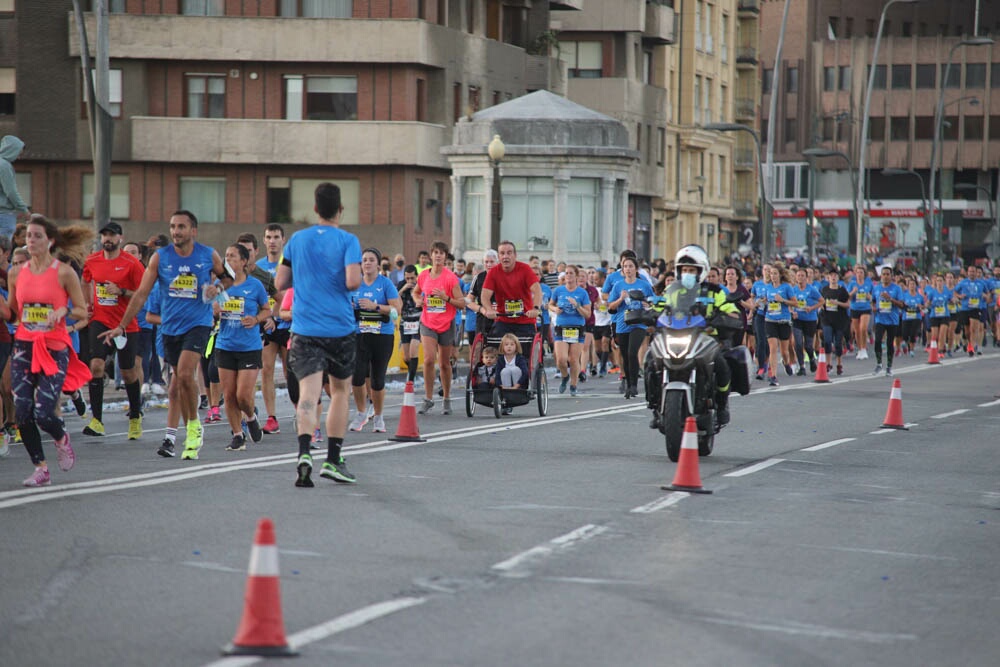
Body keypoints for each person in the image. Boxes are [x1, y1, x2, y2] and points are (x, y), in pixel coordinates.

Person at [98, 210, 227, 460]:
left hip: (198, 324)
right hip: (170, 328)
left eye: (181, 227)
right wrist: (122, 325)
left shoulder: (207, 254)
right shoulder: (160, 258)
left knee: (187, 374)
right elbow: (141, 294)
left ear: (193, 231)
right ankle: (193, 423)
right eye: (172, 226)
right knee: (180, 379)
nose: (176, 231)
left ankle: (191, 428)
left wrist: (217, 288)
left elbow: (228, 280)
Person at [276, 182, 362, 487]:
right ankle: (333, 459)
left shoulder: (297, 240)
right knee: (339, 392)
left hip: (304, 328)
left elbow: (281, 282)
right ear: (341, 210)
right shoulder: (348, 240)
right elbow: (352, 281)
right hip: (338, 327)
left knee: (308, 396)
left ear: (315, 209)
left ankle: (303, 452)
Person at [6, 216, 93, 487]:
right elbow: (12, 314)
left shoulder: (63, 273)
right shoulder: (16, 273)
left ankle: (61, 437)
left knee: (44, 413)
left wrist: (64, 310)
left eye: (37, 236)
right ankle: (40, 467)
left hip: (54, 348)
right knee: (22, 411)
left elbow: (82, 310)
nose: (30, 240)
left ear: (50, 241)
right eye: (28, 236)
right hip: (24, 345)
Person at [646, 244, 739, 428]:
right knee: (650, 359)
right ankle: (655, 406)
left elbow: (732, 312)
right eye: (684, 270)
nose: (688, 273)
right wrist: (647, 314)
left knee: (722, 364)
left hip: (706, 338)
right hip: (674, 336)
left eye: (692, 270)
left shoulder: (715, 291)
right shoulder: (672, 290)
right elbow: (658, 308)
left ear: (701, 271)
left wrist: (725, 318)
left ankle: (722, 405)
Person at [80, 221, 146, 440]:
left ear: (121, 238)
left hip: (126, 324)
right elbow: (85, 280)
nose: (107, 239)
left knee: (128, 372)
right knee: (96, 365)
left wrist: (121, 290)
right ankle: (97, 420)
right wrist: (86, 305)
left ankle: (135, 416)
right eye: (104, 235)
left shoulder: (131, 263)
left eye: (112, 235)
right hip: (100, 320)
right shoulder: (92, 260)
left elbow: (142, 292)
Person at [214, 244, 270, 451]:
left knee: (243, 396)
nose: (228, 259)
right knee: (228, 395)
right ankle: (238, 435)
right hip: (225, 344)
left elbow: (267, 310)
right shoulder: (220, 286)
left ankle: (251, 416)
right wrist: (215, 310)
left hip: (249, 346)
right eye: (226, 256)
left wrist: (256, 319)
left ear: (244, 261)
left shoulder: (255, 286)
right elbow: (208, 310)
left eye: (233, 256)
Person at [348, 247, 401, 434]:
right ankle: (361, 413)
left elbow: (396, 310)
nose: (367, 263)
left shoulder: (385, 284)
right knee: (357, 375)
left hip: (382, 336)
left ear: (378, 264)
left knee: (377, 379)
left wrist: (375, 306)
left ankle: (378, 417)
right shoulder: (354, 284)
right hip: (360, 334)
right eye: (364, 260)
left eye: (371, 260)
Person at [411, 240, 464, 415]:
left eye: (442, 253)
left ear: (445, 256)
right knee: (427, 360)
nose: (438, 256)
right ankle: (428, 398)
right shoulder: (424, 275)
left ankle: (446, 398)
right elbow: (416, 291)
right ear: (431, 255)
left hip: (446, 324)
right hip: (428, 322)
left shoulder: (450, 278)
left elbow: (462, 304)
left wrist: (445, 298)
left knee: (444, 364)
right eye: (435, 253)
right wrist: (418, 300)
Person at [254, 223, 289, 435]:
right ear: (264, 240)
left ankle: (300, 412)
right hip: (266, 324)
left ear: (283, 240)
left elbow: (292, 294)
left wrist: (277, 314)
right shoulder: (257, 266)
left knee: (290, 371)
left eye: (276, 237)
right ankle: (271, 418)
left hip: (287, 323)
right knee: (266, 370)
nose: (273, 241)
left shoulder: (289, 265)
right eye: (269, 237)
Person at [606, 255, 654, 399]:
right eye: (625, 267)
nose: (628, 269)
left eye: (630, 266)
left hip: (638, 323)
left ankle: (634, 385)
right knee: (626, 355)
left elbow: (653, 302)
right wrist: (621, 298)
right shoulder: (618, 286)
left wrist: (648, 305)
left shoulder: (644, 285)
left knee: (633, 352)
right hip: (622, 323)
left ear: (636, 269)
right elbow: (611, 307)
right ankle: (628, 383)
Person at [480, 241, 543, 347]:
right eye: (502, 253)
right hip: (503, 319)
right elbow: (485, 296)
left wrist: (535, 308)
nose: (505, 256)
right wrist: (489, 309)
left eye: (509, 253)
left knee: (526, 352)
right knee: (494, 346)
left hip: (525, 319)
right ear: (499, 257)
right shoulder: (493, 272)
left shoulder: (525, 269)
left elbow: (537, 291)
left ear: (515, 255)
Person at [549, 264, 591, 397]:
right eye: (566, 273)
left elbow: (587, 314)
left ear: (576, 276)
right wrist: (555, 309)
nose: (568, 276)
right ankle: (565, 376)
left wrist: (577, 305)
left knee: (573, 359)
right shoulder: (558, 291)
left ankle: (573, 385)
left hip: (577, 328)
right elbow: (550, 304)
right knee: (561, 359)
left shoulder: (582, 293)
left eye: (571, 273)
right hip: (562, 327)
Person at [760, 265, 796, 387]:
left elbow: (795, 302)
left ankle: (786, 363)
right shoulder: (768, 287)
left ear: (780, 275)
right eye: (771, 273)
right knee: (773, 348)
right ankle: (773, 376)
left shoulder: (787, 287)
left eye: (775, 273)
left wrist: (783, 300)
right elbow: (767, 299)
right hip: (770, 320)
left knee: (785, 351)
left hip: (784, 321)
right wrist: (763, 301)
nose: (773, 276)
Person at [871, 266, 904, 376]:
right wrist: (873, 308)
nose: (885, 276)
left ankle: (889, 367)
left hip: (892, 320)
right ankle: (879, 364)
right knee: (878, 341)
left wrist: (890, 298)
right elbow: (873, 301)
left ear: (891, 276)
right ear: (881, 276)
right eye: (883, 274)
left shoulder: (896, 288)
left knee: (890, 343)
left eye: (887, 274)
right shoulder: (876, 288)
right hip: (880, 319)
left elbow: (901, 304)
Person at [790, 267, 822, 376]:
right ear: (795, 277)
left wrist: (812, 308)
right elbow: (789, 304)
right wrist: (792, 312)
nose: (800, 278)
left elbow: (822, 301)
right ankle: (802, 366)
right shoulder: (793, 289)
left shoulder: (812, 289)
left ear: (806, 277)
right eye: (798, 275)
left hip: (810, 320)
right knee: (798, 343)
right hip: (797, 319)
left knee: (808, 345)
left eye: (802, 276)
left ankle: (812, 359)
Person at [820, 268, 851, 376]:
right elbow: (820, 302)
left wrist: (837, 303)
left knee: (838, 343)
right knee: (827, 341)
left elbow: (848, 304)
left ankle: (839, 364)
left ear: (838, 278)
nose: (833, 277)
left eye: (835, 276)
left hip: (839, 319)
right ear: (828, 278)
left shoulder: (842, 290)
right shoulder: (824, 290)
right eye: (831, 275)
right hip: (827, 319)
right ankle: (828, 363)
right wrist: (822, 306)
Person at [0, 136, 30, 241]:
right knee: (3, 249)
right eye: (18, 153)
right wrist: (24, 210)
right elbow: (11, 192)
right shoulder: (4, 166)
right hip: (4, 215)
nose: (19, 157)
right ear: (12, 150)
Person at [396, 264, 422, 383]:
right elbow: (394, 299)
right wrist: (403, 289)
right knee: (406, 357)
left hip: (418, 322)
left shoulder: (421, 285)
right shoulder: (402, 285)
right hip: (405, 323)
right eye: (407, 278)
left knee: (413, 350)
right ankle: (412, 371)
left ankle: (410, 381)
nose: (410, 281)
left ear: (416, 276)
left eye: (412, 278)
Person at [847, 264, 874, 360]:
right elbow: (847, 297)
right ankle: (860, 349)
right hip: (854, 308)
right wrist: (853, 292)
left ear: (864, 274)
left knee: (863, 328)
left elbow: (872, 297)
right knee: (857, 331)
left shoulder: (869, 284)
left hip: (865, 308)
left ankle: (864, 349)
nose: (859, 274)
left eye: (861, 272)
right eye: (857, 272)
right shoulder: (852, 284)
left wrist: (869, 297)